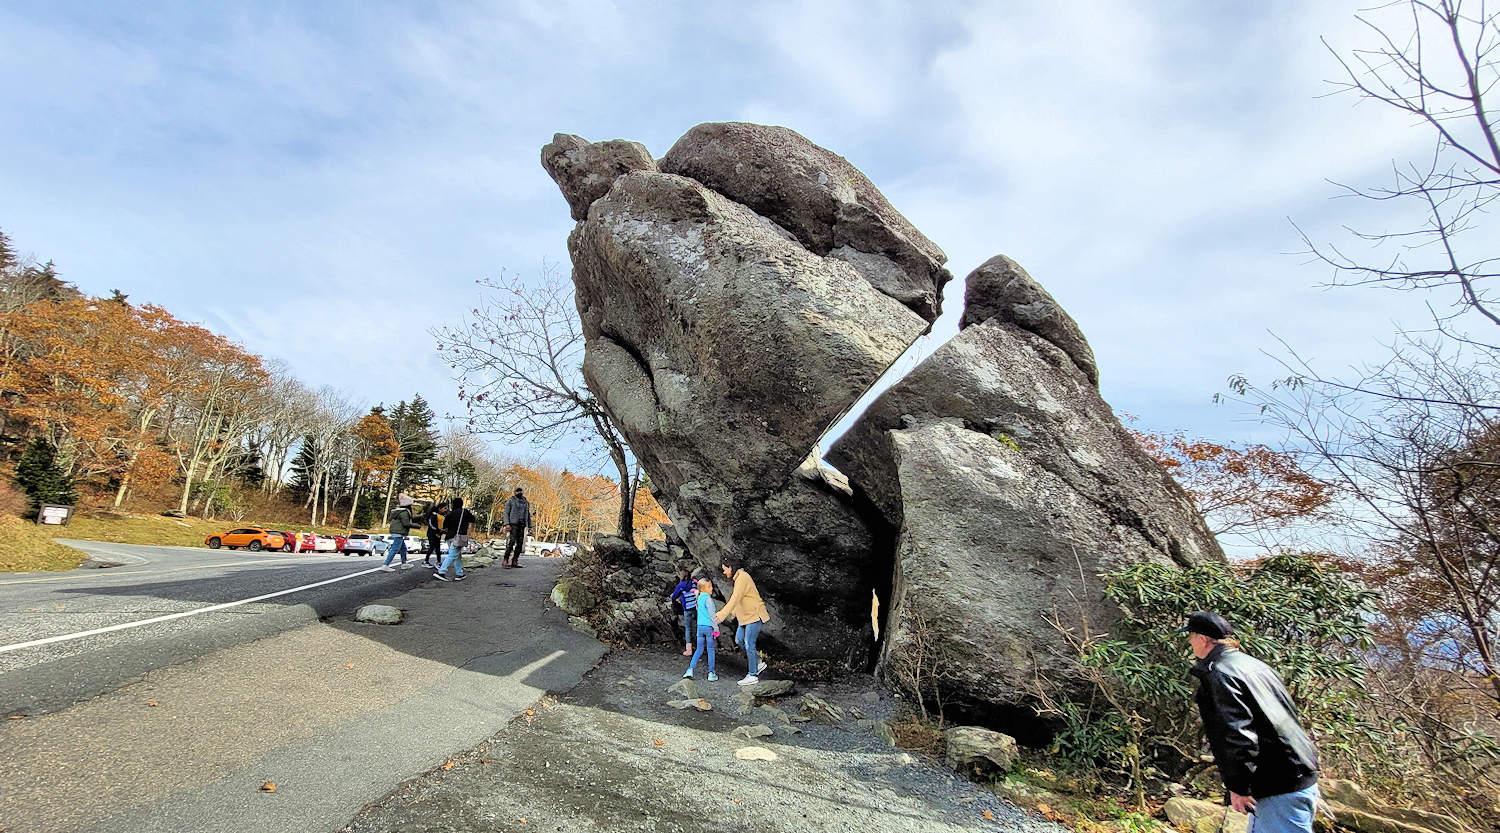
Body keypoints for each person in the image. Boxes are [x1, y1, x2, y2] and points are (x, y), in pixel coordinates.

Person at [1182, 611, 1320, 833]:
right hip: (1300, 771)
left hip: (1278, 784)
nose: (1189, 642)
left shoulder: (1219, 674)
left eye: (1191, 636)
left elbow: (1236, 734)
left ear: (1203, 639)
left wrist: (1239, 787)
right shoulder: (1253, 665)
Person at [713, 555, 770, 686]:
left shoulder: (743, 577)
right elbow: (740, 599)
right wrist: (733, 613)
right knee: (739, 640)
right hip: (745, 618)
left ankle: (753, 675)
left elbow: (736, 597)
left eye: (725, 569)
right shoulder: (738, 579)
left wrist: (723, 613)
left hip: (754, 615)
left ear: (731, 568)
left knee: (749, 643)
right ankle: (758, 663)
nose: (724, 572)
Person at [684, 577, 720, 681]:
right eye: (709, 586)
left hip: (700, 627)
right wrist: (716, 629)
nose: (712, 588)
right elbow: (712, 616)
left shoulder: (699, 598)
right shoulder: (708, 600)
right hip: (709, 628)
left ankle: (690, 670)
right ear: (704, 589)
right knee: (710, 650)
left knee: (699, 649)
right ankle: (711, 673)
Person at [434, 497, 475, 582]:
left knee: (457, 556)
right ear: (461, 504)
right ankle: (441, 571)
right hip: (458, 537)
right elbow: (473, 519)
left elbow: (445, 526)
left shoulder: (450, 514)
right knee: (452, 555)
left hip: (449, 537)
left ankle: (460, 573)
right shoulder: (464, 512)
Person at [380, 494, 418, 572]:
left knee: (403, 548)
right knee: (395, 549)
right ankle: (386, 565)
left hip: (396, 531)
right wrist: (417, 526)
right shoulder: (404, 512)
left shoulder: (399, 511)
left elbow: (409, 518)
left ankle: (404, 563)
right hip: (399, 532)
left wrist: (419, 516)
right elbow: (406, 523)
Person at [669, 569, 700, 656]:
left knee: (688, 629)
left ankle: (689, 650)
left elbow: (674, 596)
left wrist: (673, 599)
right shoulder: (694, 583)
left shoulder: (680, 585)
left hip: (687, 609)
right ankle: (700, 647)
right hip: (696, 608)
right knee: (699, 626)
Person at [501, 487, 532, 568]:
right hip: (513, 524)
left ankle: (515, 561)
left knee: (520, 543)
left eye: (520, 491)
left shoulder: (526, 502)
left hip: (522, 525)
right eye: (517, 491)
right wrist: (507, 524)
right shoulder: (510, 501)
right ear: (514, 492)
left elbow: (528, 514)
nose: (519, 492)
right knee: (512, 541)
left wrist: (529, 526)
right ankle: (506, 559)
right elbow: (506, 513)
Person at [423, 501, 445, 567]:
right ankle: (425, 561)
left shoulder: (440, 516)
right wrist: (438, 529)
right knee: (432, 547)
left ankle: (438, 562)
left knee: (438, 548)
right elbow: (431, 524)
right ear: (439, 508)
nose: (445, 510)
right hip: (432, 534)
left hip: (438, 534)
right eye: (444, 508)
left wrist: (442, 531)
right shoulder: (433, 515)